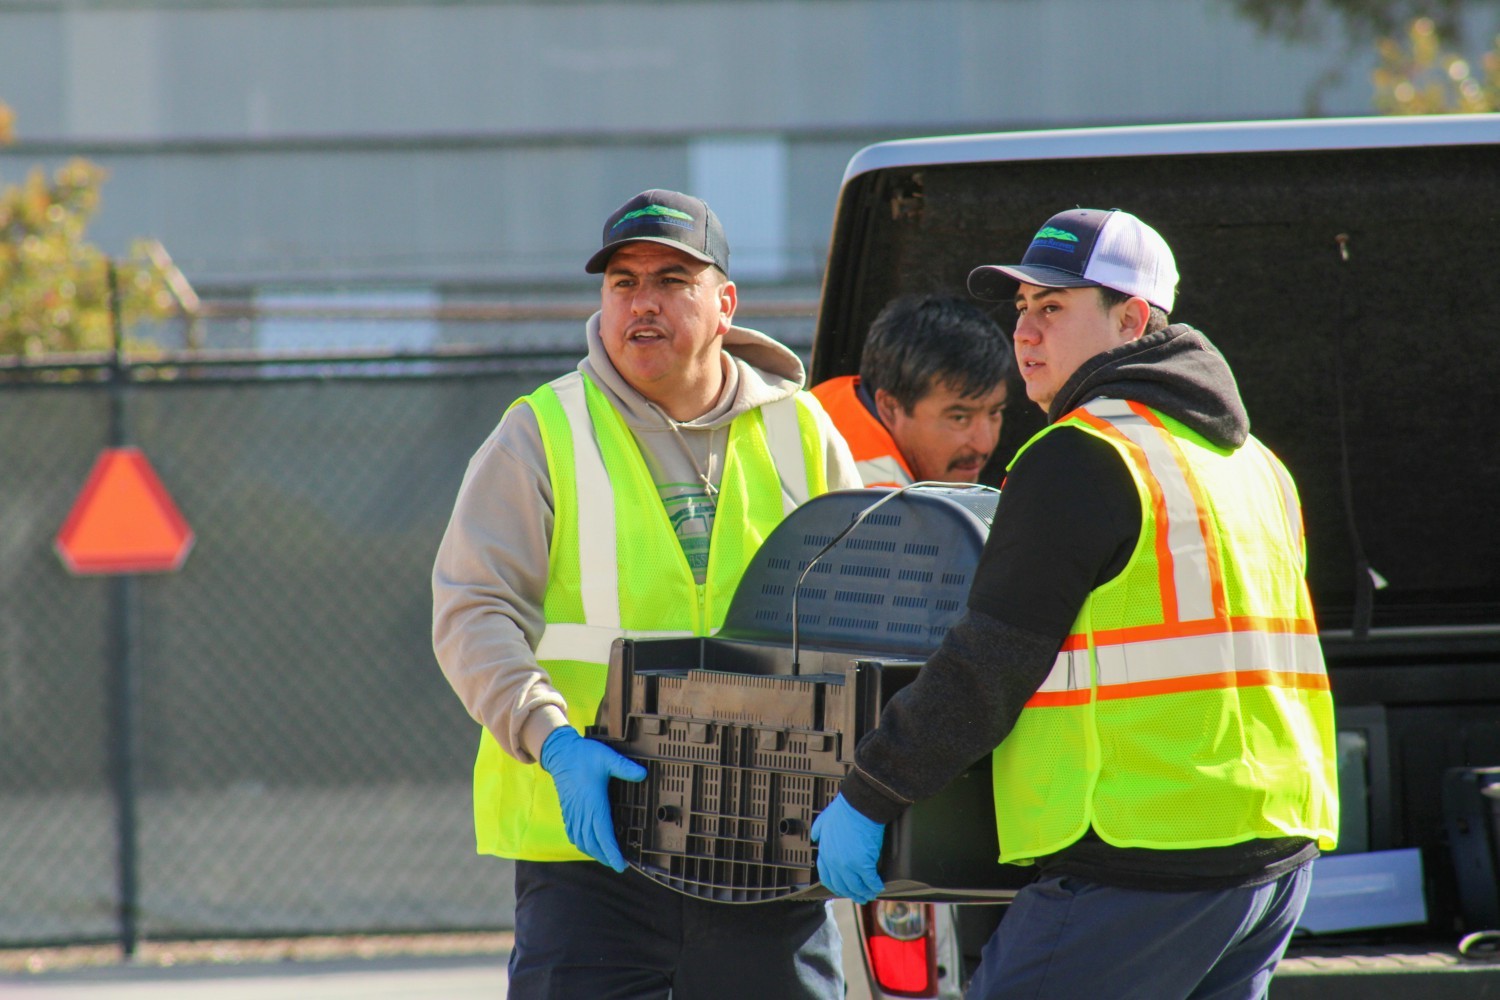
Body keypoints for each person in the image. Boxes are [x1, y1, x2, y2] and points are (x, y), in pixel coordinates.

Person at [810, 208, 1338, 999]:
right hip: (1270, 858)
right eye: (1022, 308)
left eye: (1053, 308)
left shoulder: (1082, 454)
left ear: (1132, 320)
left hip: (1142, 862)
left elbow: (987, 664)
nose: (1025, 332)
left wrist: (871, 791)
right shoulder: (1255, 463)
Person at [433, 189, 861, 999]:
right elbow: (471, 609)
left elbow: (865, 625)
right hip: (594, 856)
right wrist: (552, 741)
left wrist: (866, 790)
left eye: (672, 280)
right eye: (623, 282)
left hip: (767, 845)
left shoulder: (803, 433)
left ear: (725, 303)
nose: (643, 302)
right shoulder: (542, 431)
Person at [811, 294, 1009, 486]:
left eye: (994, 413)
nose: (984, 444)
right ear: (890, 408)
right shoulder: (878, 501)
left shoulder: (827, 400)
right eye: (959, 418)